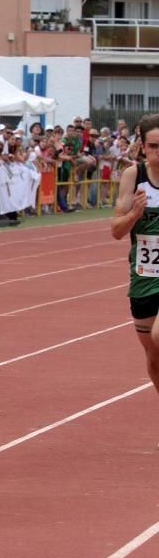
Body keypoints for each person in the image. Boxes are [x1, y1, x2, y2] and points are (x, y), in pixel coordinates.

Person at [112, 113, 159, 435]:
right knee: (154, 359)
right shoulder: (134, 176)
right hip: (144, 278)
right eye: (155, 146)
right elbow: (116, 230)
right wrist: (135, 213)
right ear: (143, 147)